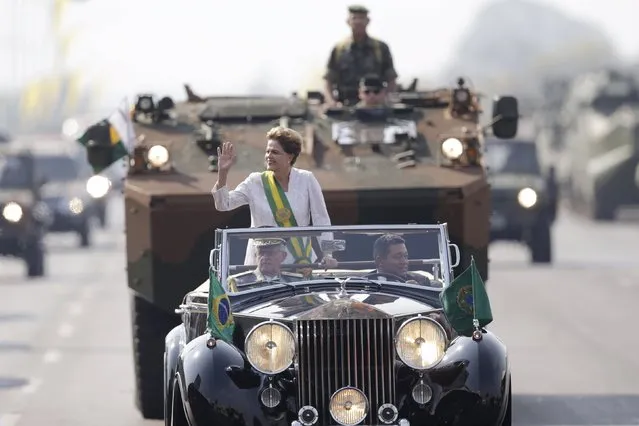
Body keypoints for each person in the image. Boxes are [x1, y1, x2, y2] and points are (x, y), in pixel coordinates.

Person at [211, 126, 337, 269]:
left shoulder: (306, 179)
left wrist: (328, 254)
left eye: (275, 152)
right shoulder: (255, 181)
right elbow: (223, 204)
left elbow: (321, 219)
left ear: (290, 157)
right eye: (267, 151)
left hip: (299, 263)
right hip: (262, 265)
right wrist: (223, 173)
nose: (269, 156)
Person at [323, 5, 398, 107]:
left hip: (374, 106)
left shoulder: (380, 48)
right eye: (354, 18)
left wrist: (384, 97)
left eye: (361, 18)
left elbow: (391, 79)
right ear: (348, 21)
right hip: (346, 106)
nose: (358, 22)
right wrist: (331, 101)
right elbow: (328, 81)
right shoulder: (339, 50)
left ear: (368, 21)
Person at [227, 238, 304, 292]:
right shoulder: (239, 282)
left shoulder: (296, 281)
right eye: (261, 253)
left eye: (270, 253)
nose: (265, 257)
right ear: (255, 255)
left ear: (283, 256)